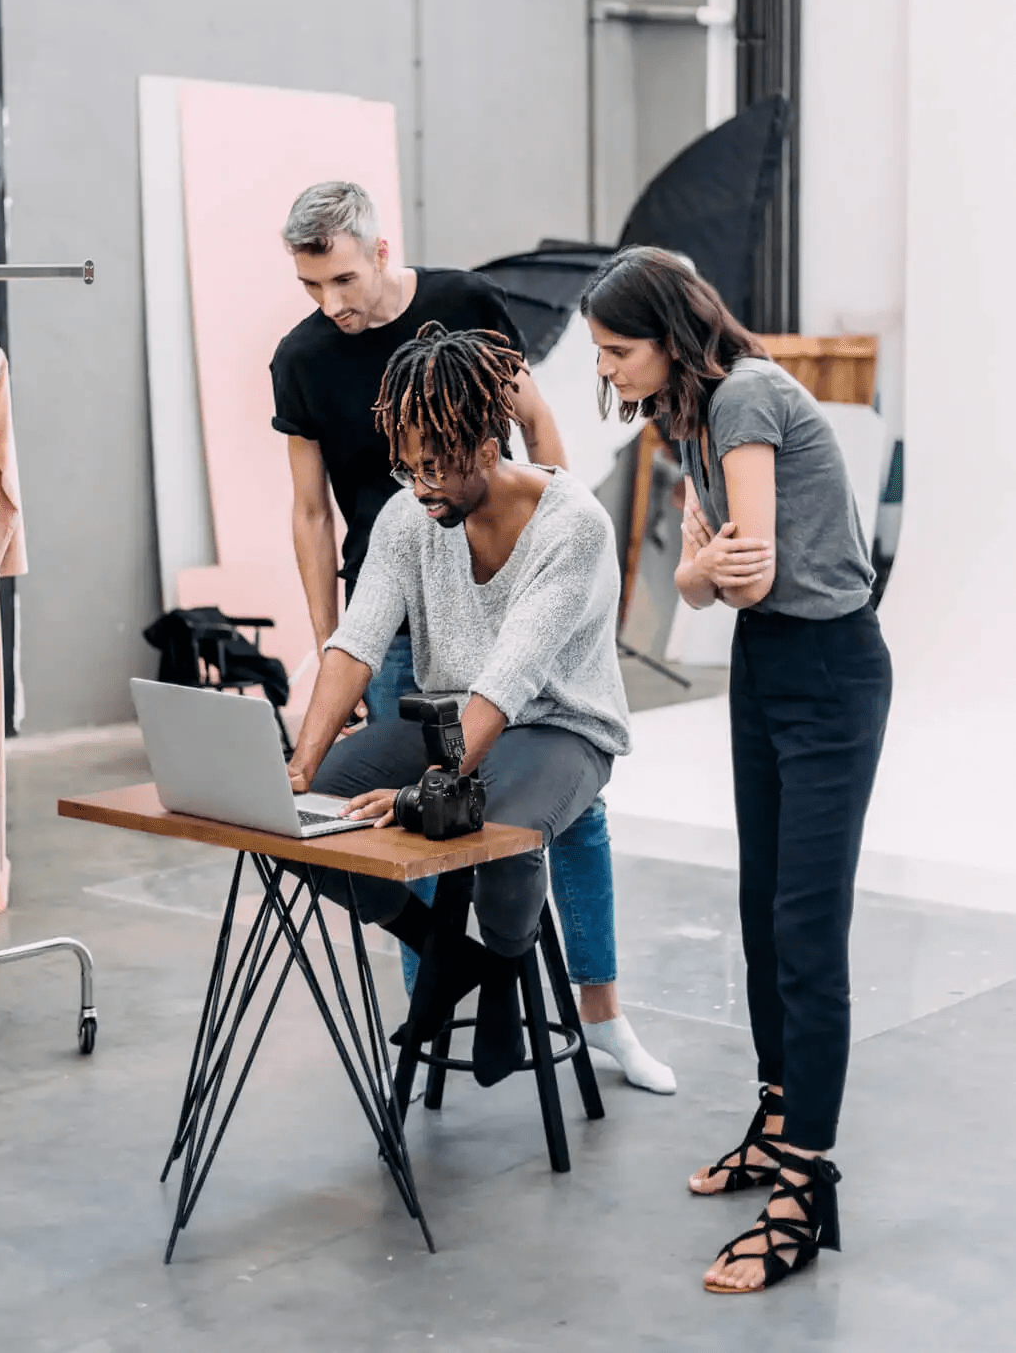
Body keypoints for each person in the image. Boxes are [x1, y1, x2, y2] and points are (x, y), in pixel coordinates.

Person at [270, 182, 673, 1092]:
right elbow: (358, 637)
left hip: (556, 722)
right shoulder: (414, 511)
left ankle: (517, 971)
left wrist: (426, 786)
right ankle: (456, 962)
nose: (412, 485)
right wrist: (298, 767)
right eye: (400, 466)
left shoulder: (567, 525)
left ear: (481, 442)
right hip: (449, 705)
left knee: (490, 826)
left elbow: (512, 678)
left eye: (429, 464)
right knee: (311, 825)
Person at [581, 247, 892, 1295]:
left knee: (807, 930)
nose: (609, 370)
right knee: (762, 912)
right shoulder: (696, 416)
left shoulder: (749, 395)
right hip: (768, 672)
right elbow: (706, 589)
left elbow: (743, 568)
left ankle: (804, 1190)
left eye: (619, 350)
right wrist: (700, 570)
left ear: (671, 333)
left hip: (831, 675)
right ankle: (775, 1117)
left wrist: (704, 568)